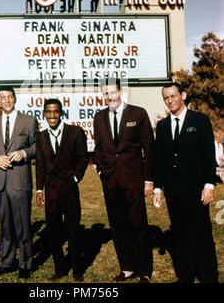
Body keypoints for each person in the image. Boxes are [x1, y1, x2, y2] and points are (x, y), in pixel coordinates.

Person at [153, 82, 218, 283]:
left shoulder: (200, 121)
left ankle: (209, 276)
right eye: (166, 98)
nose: (170, 101)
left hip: (197, 191)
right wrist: (157, 188)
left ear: (183, 95)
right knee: (179, 236)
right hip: (174, 193)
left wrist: (209, 185)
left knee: (201, 235)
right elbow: (159, 160)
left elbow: (209, 155)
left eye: (173, 96)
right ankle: (185, 276)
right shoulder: (163, 126)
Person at [93, 78, 154, 283]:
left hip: (133, 179)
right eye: (106, 93)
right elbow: (99, 148)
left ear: (121, 91)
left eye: (112, 92)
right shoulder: (99, 117)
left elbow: (149, 149)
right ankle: (127, 268)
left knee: (138, 225)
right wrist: (102, 172)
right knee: (118, 226)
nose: (109, 97)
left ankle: (144, 271)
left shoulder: (138, 113)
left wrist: (148, 180)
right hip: (111, 181)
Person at [0, 87, 38, 279]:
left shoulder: (28, 121)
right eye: (3, 98)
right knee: (5, 225)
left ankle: (25, 263)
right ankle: (7, 262)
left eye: (9, 97)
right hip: (0, 183)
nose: (6, 101)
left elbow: (38, 146)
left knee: (22, 224)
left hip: (20, 182)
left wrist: (24, 153)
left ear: (15, 99)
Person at [36, 99, 88, 282]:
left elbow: (83, 158)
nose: (52, 116)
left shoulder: (74, 132)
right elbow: (40, 165)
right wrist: (38, 190)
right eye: (48, 112)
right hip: (51, 190)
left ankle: (77, 269)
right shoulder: (41, 136)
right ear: (44, 113)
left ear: (61, 113)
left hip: (69, 188)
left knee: (73, 228)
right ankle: (60, 269)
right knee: (53, 230)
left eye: (55, 112)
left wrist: (75, 178)